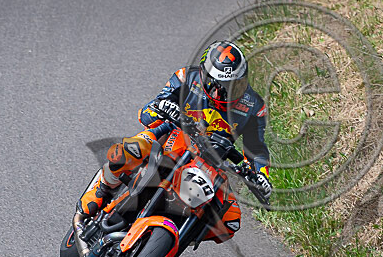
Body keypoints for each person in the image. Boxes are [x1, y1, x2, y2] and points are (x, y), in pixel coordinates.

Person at [77, 40, 272, 240]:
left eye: (236, 85)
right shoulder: (186, 77)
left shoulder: (254, 106)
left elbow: (256, 150)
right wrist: (165, 108)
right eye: (222, 86)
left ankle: (177, 237)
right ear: (206, 78)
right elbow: (147, 112)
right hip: (170, 134)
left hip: (211, 160)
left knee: (230, 222)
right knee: (126, 152)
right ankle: (102, 190)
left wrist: (261, 176)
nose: (229, 92)